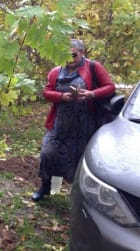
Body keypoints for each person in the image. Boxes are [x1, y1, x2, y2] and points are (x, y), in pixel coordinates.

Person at [31, 39, 115, 202]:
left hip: (85, 124)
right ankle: (46, 187)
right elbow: (47, 92)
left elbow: (110, 87)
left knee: (79, 159)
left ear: (82, 53)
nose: (69, 58)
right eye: (65, 55)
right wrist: (61, 96)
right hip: (60, 122)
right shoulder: (56, 71)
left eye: (73, 55)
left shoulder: (93, 67)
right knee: (49, 154)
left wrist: (92, 94)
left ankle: (78, 196)